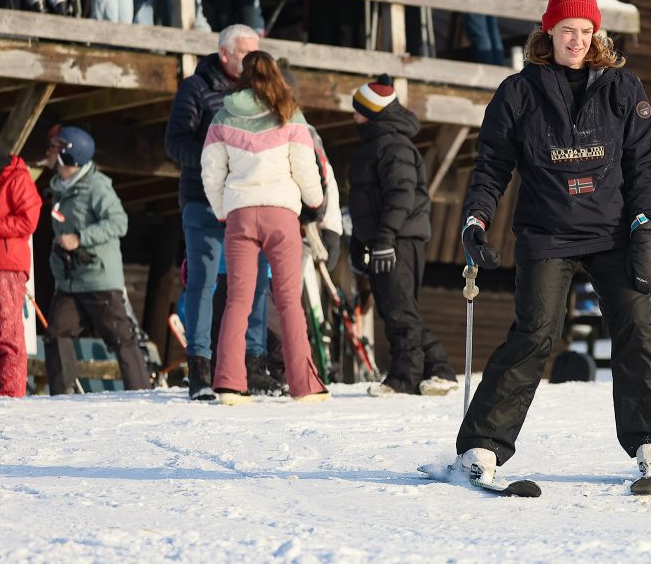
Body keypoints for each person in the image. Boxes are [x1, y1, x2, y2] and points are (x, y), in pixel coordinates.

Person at [453, 0, 651, 489]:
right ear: (548, 32)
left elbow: (644, 167)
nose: (577, 40)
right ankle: (480, 448)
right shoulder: (519, 92)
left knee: (638, 330)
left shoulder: (623, 89)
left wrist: (646, 228)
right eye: (567, 30)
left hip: (615, 231)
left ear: (597, 35)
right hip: (546, 232)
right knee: (534, 334)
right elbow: (491, 166)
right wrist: (476, 219)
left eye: (586, 31)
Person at [201, 50, 329, 405]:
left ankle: (228, 383)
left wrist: (222, 209)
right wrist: (314, 201)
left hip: (240, 213)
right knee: (289, 301)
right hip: (281, 214)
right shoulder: (290, 115)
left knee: (237, 301)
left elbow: (210, 171)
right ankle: (304, 386)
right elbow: (306, 168)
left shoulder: (223, 115)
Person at [164, 23, 273, 400]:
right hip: (203, 199)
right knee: (204, 279)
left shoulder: (262, 92)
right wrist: (217, 161)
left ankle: (253, 364)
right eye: (246, 54)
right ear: (224, 54)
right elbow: (175, 142)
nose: (254, 61)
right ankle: (199, 367)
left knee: (257, 280)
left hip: (248, 199)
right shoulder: (196, 89)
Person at [347, 74, 459, 398]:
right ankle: (439, 369)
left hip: (400, 239)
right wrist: (359, 240)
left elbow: (401, 196)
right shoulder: (376, 145)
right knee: (397, 308)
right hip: (385, 238)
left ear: (372, 112)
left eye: (358, 110)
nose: (353, 116)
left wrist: (384, 239)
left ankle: (404, 377)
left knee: (399, 308)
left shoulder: (394, 145)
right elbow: (367, 201)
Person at [42, 126, 151, 394]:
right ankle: (62, 394)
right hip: (71, 280)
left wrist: (80, 238)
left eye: (57, 147)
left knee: (121, 338)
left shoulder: (96, 186)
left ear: (72, 155)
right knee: (56, 333)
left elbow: (119, 222)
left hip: (99, 277)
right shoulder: (59, 188)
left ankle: (139, 391)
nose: (51, 151)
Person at [0, 130, 42, 397]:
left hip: (7, 264)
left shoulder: (18, 179)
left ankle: (11, 390)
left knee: (7, 327)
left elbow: (29, 220)